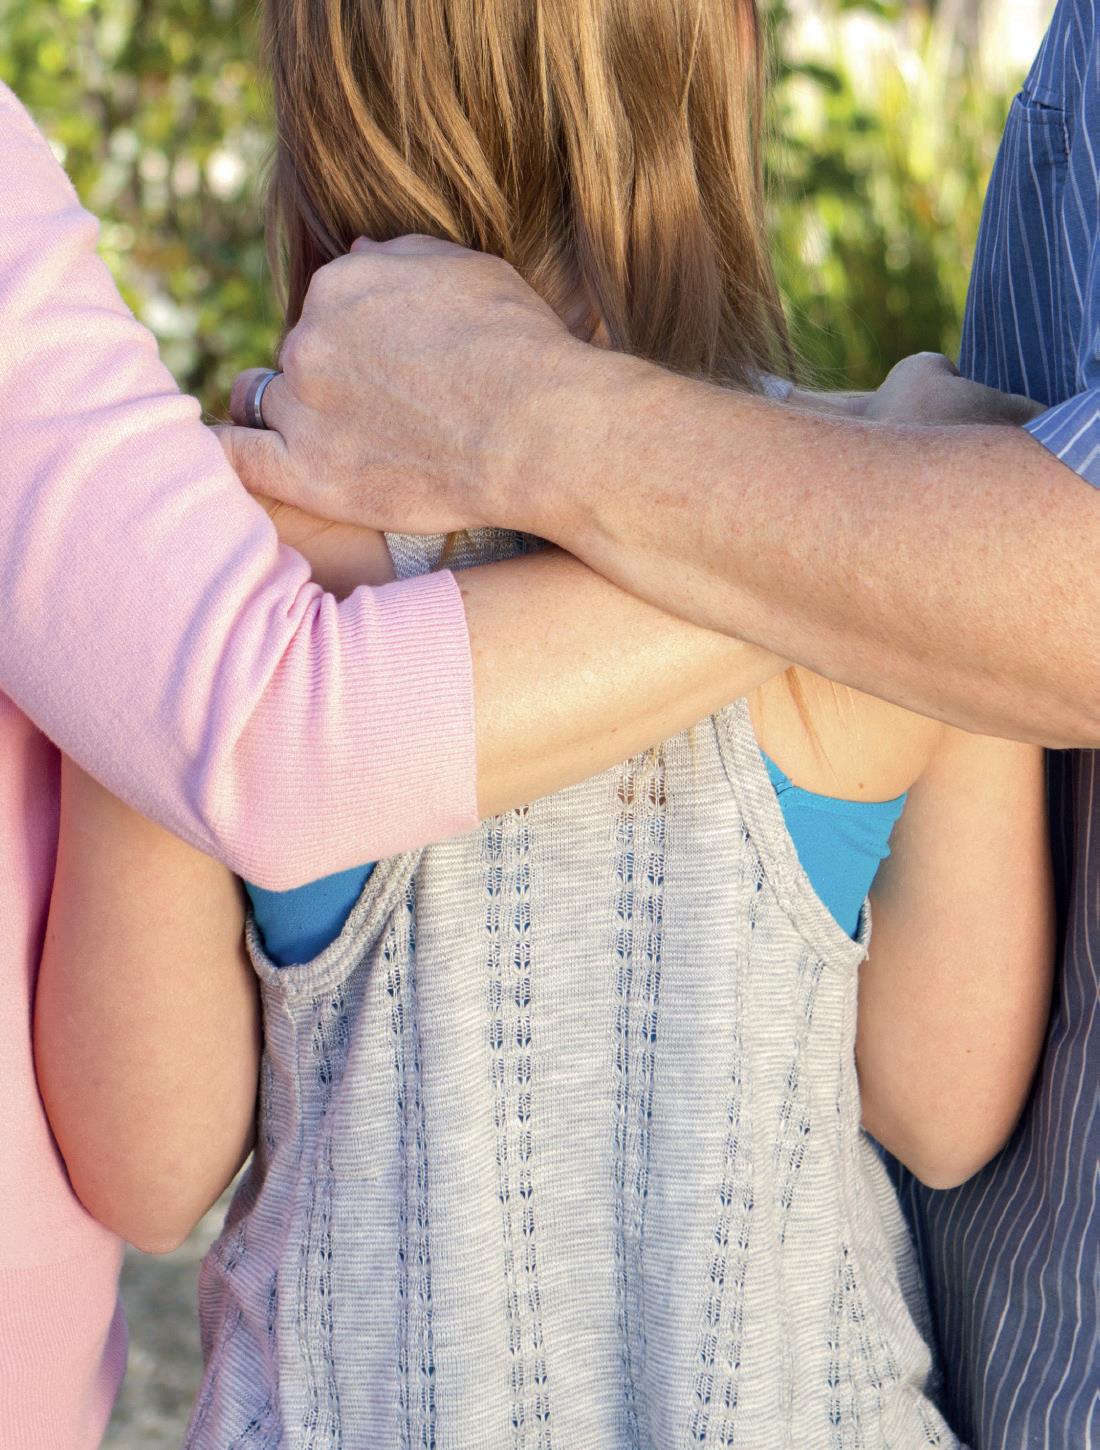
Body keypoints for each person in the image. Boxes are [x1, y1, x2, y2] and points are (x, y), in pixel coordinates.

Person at [36, 1, 1054, 1445]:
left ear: (320, 110)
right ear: (731, 62)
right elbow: (948, 1111)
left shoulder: (228, 564)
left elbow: (145, 1161)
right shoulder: (892, 538)